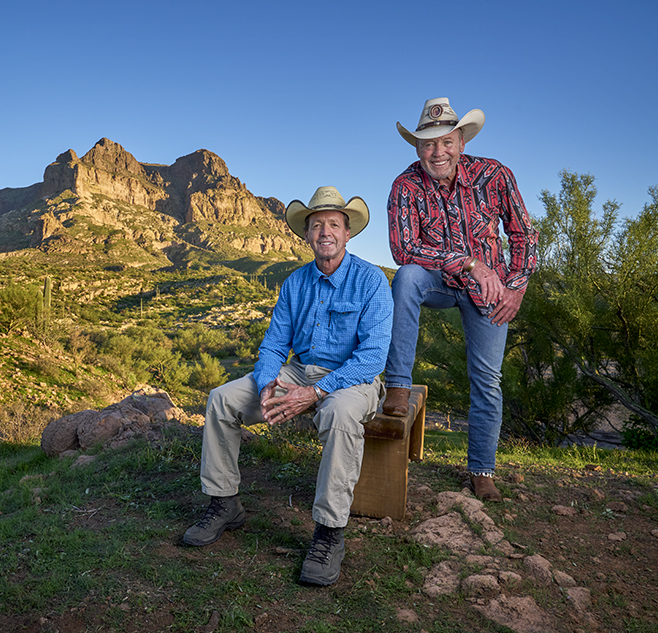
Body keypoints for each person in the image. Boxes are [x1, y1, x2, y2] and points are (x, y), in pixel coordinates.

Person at [182, 186, 393, 586]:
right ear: (307, 234)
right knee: (222, 400)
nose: (325, 231)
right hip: (297, 372)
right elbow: (275, 344)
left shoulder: (371, 282)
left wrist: (314, 393)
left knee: (342, 414)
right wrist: (266, 385)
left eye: (333, 224)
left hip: (352, 377)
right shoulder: (295, 283)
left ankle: (330, 533)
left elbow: (371, 359)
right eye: (317, 225)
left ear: (347, 233)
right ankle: (224, 502)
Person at [384, 97, 539, 502]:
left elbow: (523, 235)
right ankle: (397, 386)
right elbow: (404, 249)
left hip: (491, 291)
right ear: (417, 149)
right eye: (428, 144)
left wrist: (516, 288)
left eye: (446, 142)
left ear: (461, 142)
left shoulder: (495, 175)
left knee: (487, 379)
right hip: (439, 280)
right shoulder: (405, 186)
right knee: (406, 278)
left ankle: (482, 471)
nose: (438, 152)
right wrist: (469, 263)